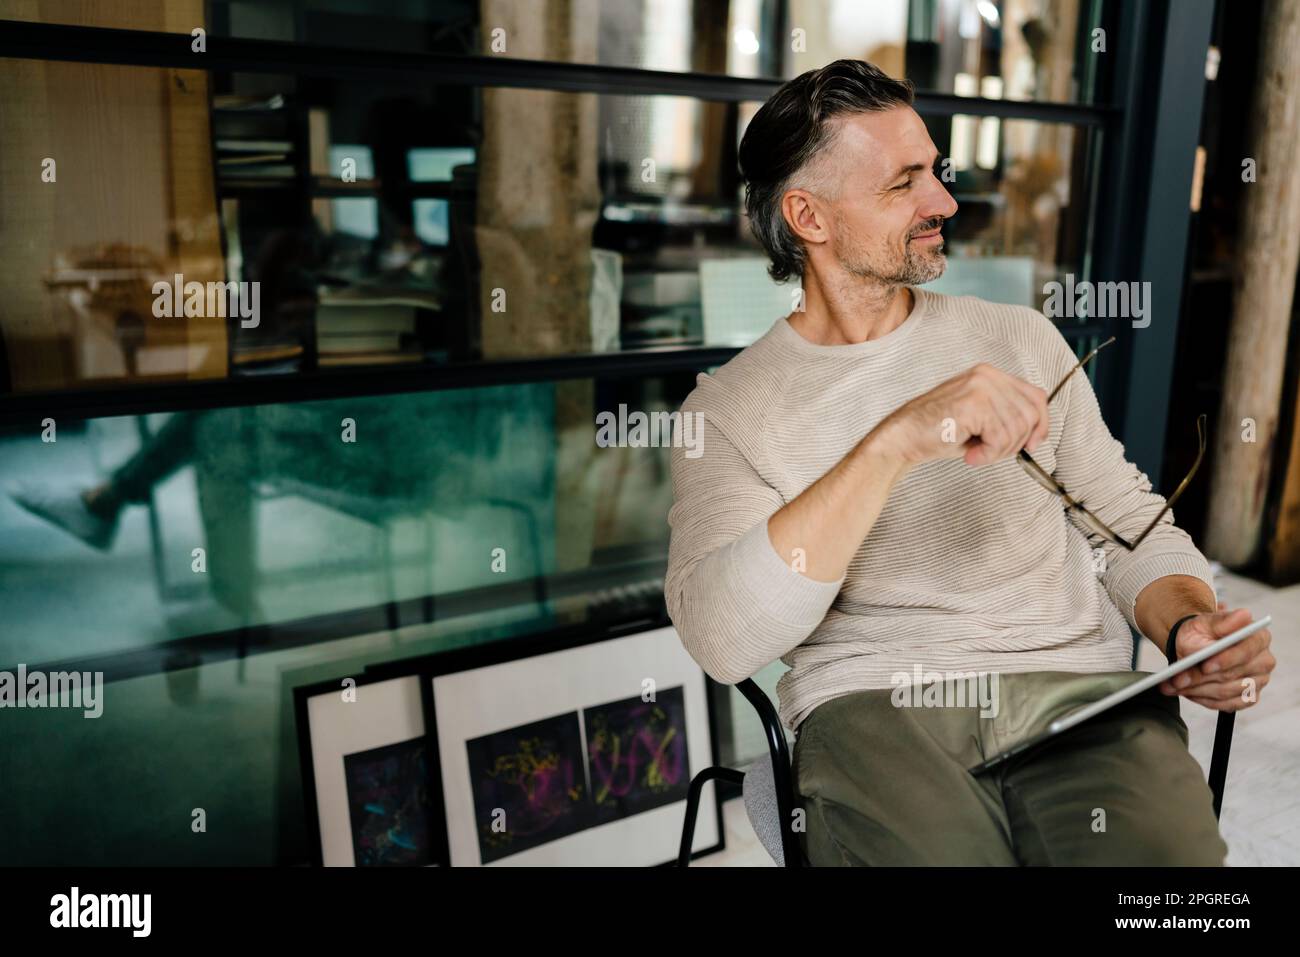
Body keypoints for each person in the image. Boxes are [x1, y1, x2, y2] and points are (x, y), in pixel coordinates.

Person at [664, 60, 1275, 866]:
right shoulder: (728, 412)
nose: (944, 203)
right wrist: (897, 438)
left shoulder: (1017, 337)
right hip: (877, 704)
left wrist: (1189, 620)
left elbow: (1128, 527)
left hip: (1075, 697)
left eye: (937, 174)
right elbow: (723, 638)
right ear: (807, 215)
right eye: (903, 184)